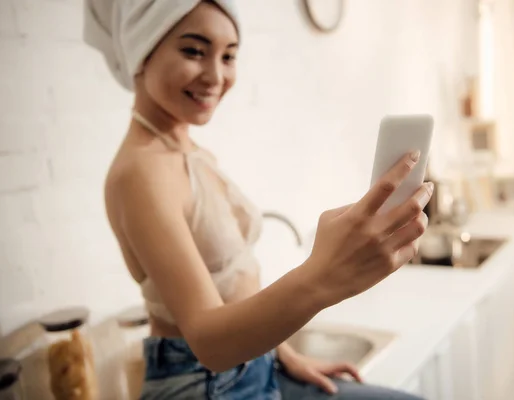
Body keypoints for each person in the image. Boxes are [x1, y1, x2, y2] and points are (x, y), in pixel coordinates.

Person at [83, 1, 432, 399]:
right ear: (140, 49)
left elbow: (235, 289)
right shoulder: (141, 172)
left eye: (229, 56)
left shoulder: (186, 152)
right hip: (204, 384)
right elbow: (209, 343)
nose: (216, 75)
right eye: (194, 51)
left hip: (254, 363)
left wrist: (285, 355)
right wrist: (325, 273)